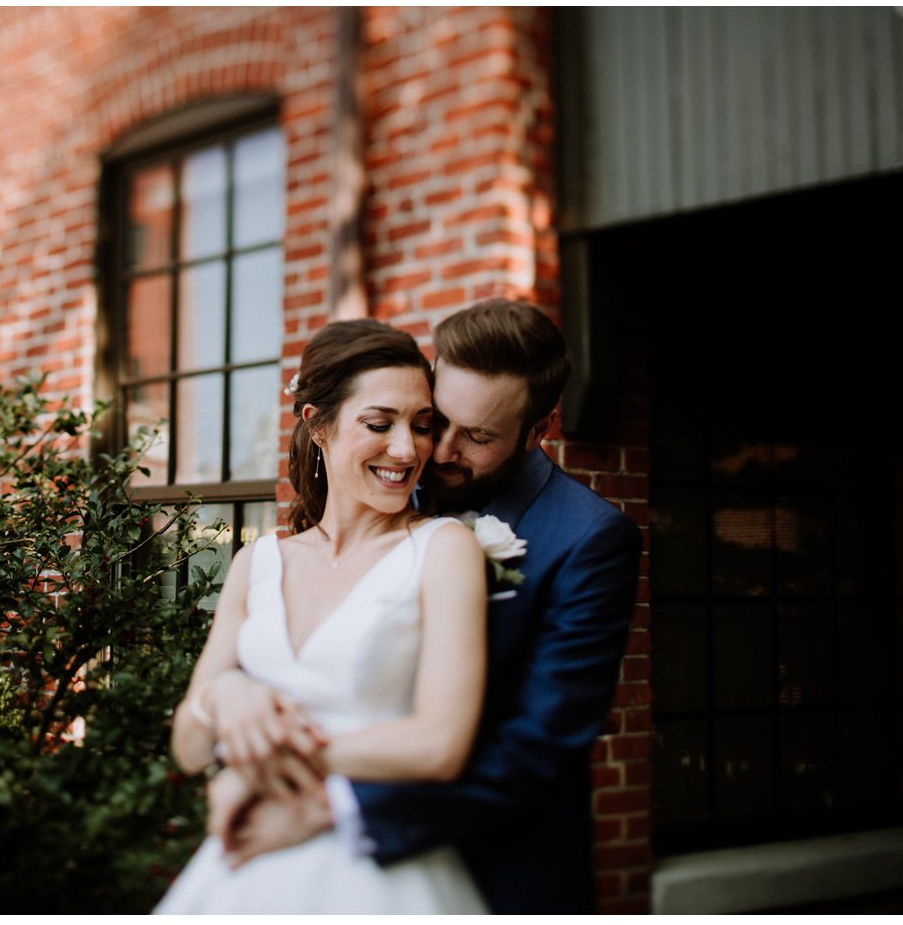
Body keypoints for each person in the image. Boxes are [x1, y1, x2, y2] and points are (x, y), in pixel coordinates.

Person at [202, 298, 643, 913]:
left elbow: (536, 745)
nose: (436, 454)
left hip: (497, 863)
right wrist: (230, 691)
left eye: (479, 436)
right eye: (441, 421)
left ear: (539, 429)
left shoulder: (588, 538)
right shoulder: (392, 480)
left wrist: (333, 805)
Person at [155, 319, 490, 913]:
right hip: (246, 875)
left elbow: (440, 743)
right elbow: (187, 744)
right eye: (379, 424)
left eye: (420, 426)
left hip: (378, 875)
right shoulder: (257, 564)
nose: (406, 450)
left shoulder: (443, 549)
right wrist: (226, 695)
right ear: (318, 425)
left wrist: (260, 764)